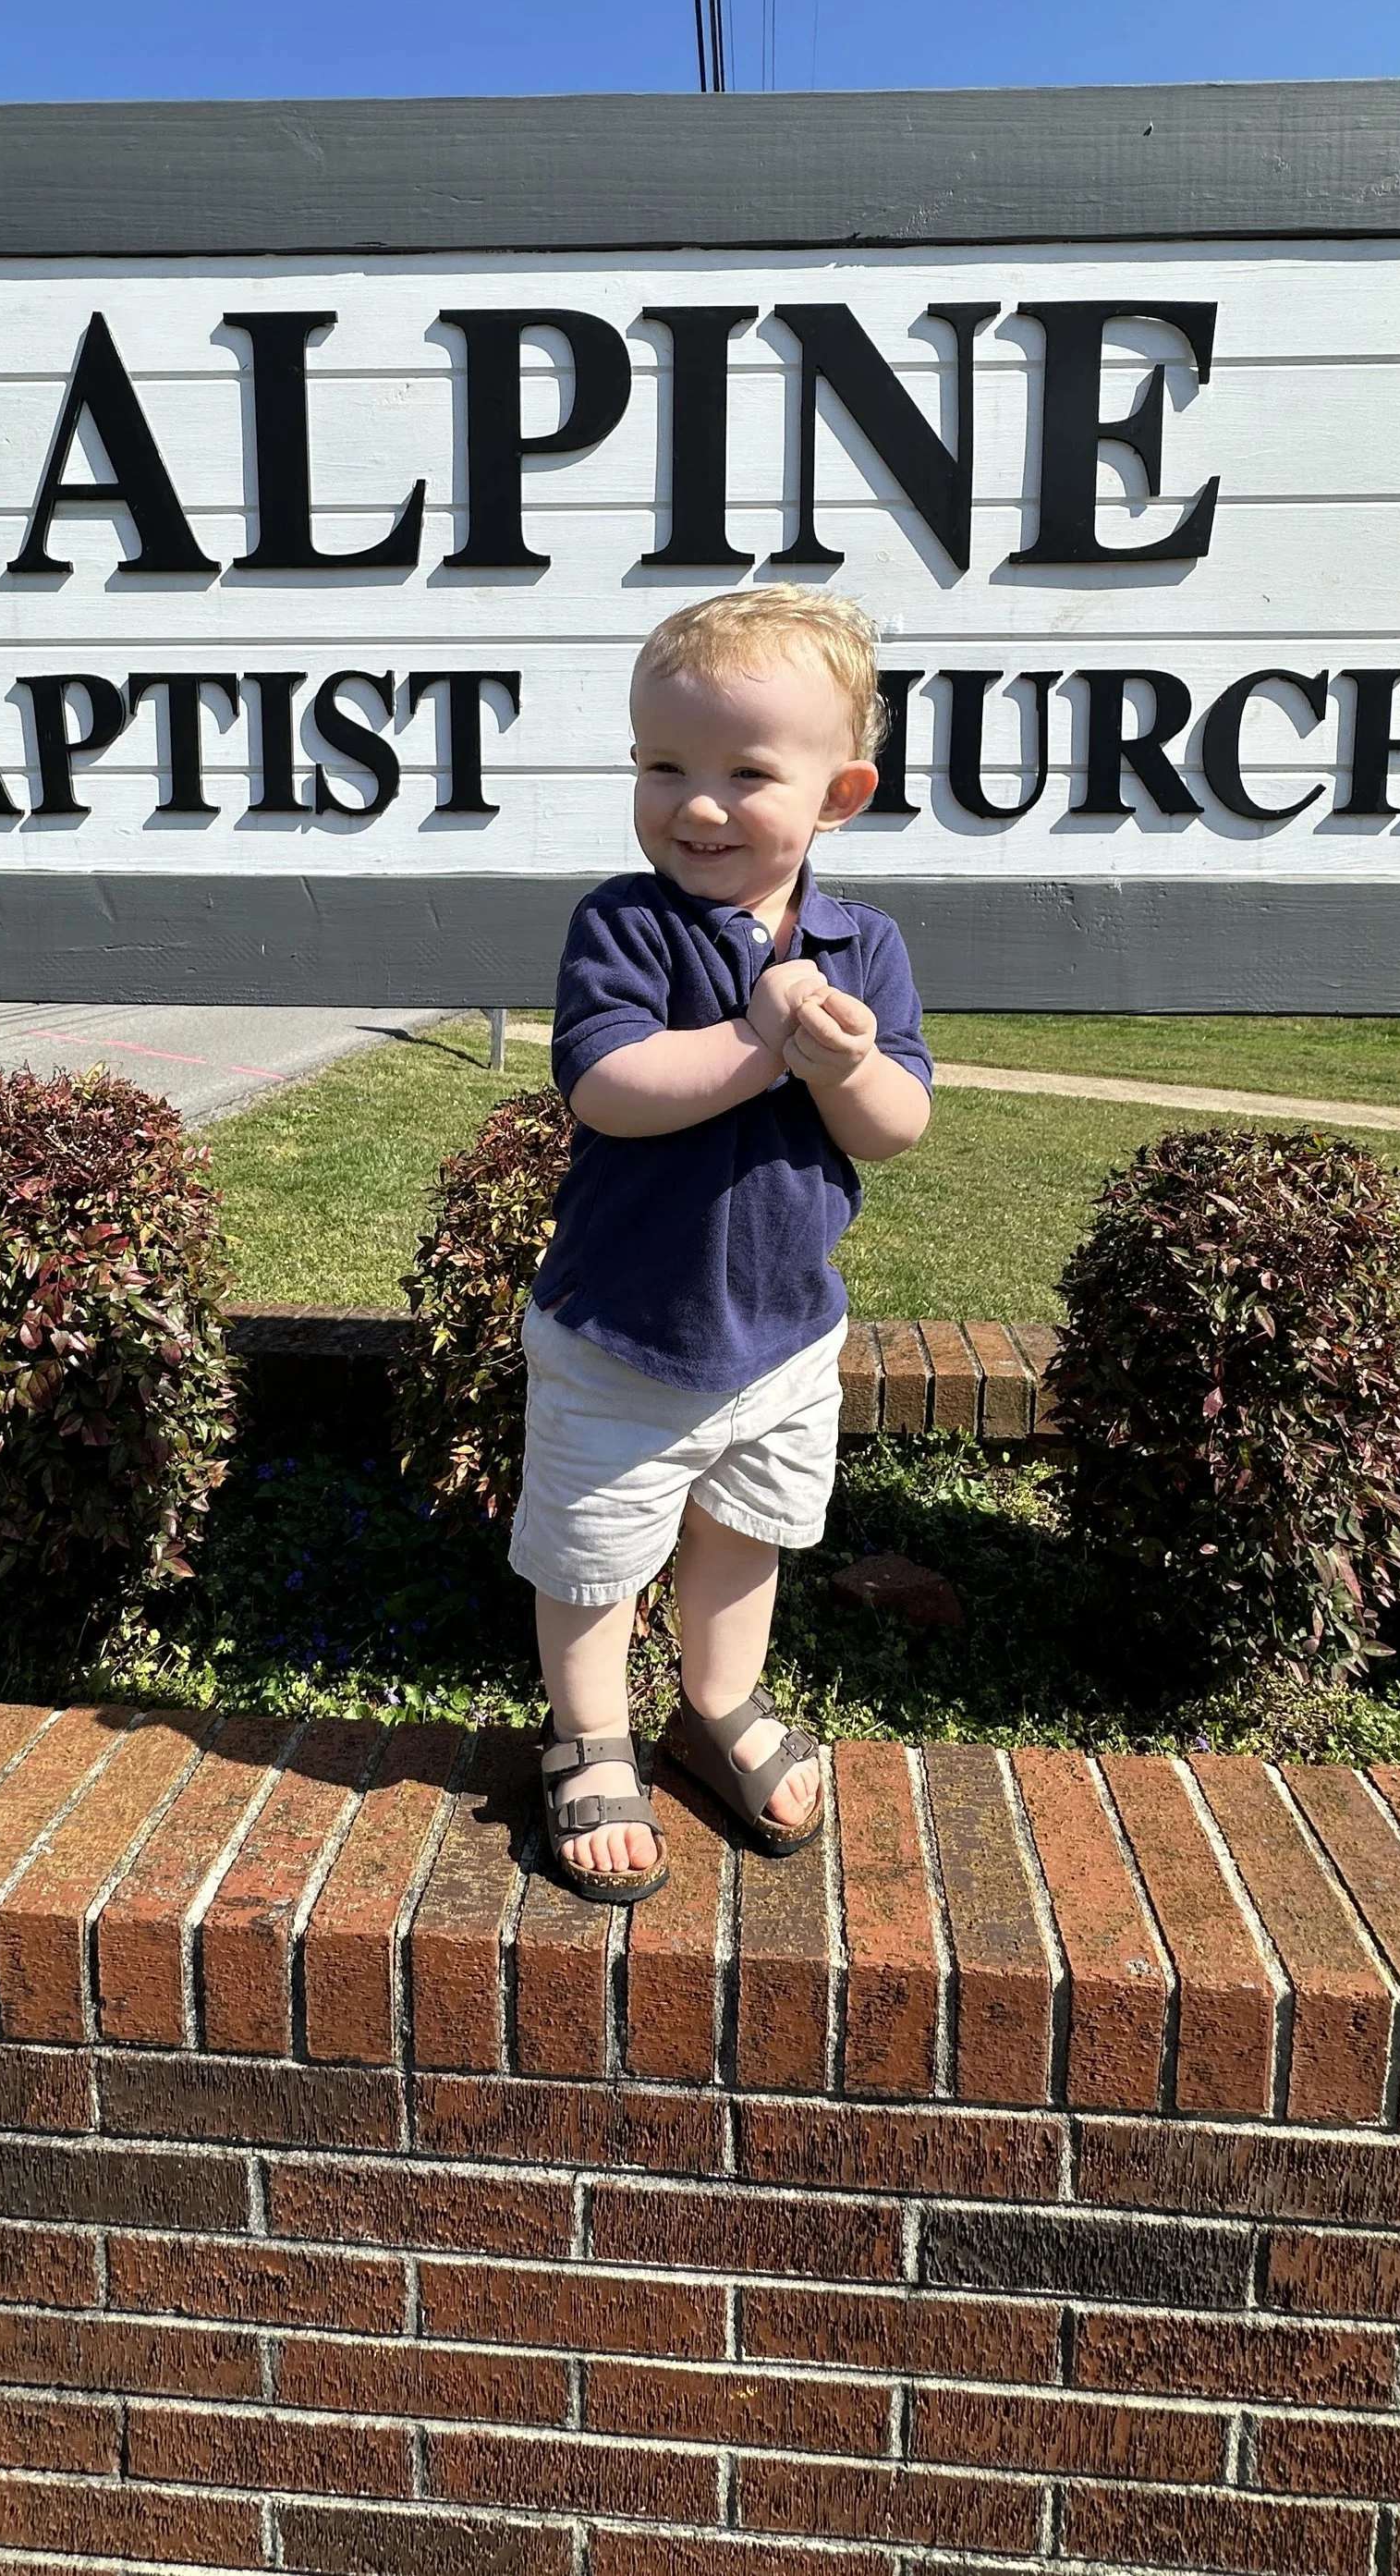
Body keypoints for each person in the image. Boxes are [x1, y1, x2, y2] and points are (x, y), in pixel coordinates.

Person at [510, 590, 933, 1899]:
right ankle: (589, 1736)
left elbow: (898, 1126)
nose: (696, 805)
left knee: (749, 1532)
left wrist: (845, 1065)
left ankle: (719, 1702)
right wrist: (760, 1045)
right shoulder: (622, 927)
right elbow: (610, 1085)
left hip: (784, 1336)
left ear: (839, 792)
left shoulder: (865, 946)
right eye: (663, 767)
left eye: (747, 773)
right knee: (594, 1553)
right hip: (625, 1331)